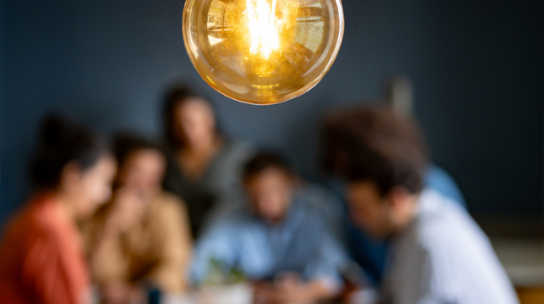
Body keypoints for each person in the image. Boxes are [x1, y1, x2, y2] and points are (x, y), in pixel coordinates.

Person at [325, 106, 519, 304]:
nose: (355, 219)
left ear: (396, 200)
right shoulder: (416, 227)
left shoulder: (429, 240)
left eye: (362, 209)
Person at [0, 114, 116, 304]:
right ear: (72, 176)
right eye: (102, 181)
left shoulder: (38, 215)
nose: (106, 194)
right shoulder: (49, 232)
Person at [190, 151, 352, 304]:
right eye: (255, 195)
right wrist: (243, 286)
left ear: (292, 183)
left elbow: (337, 267)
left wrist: (305, 291)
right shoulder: (230, 211)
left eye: (271, 192)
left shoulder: (319, 208)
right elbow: (202, 264)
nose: (263, 203)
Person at [84, 133, 192, 302]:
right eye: (137, 172)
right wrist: (112, 224)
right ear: (117, 171)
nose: (145, 183)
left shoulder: (169, 208)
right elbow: (91, 273)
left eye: (154, 175)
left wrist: (140, 290)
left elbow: (176, 267)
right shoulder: (92, 207)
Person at [161, 84, 253, 237]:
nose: (187, 130)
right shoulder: (164, 157)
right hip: (176, 239)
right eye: (179, 122)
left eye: (193, 121)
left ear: (210, 117)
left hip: (225, 238)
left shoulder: (239, 155)